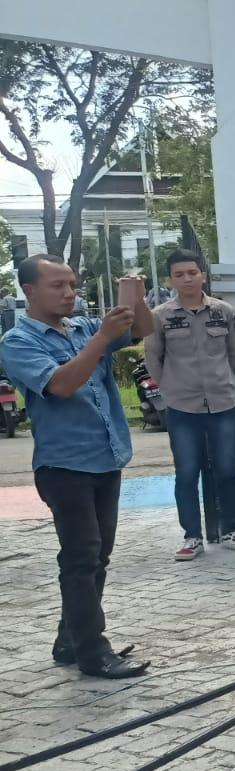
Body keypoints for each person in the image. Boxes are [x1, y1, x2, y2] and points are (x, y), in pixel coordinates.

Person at [2, 257, 154, 678]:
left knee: (97, 555)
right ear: (30, 291)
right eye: (58, 286)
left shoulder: (84, 327)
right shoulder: (17, 341)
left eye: (71, 284)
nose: (69, 293)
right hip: (64, 465)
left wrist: (136, 298)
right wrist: (103, 337)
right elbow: (62, 384)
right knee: (81, 557)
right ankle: (92, 651)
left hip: (105, 456)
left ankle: (70, 638)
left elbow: (143, 330)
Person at [144, 249, 235, 562]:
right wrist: (171, 387)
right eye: (179, 274)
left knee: (227, 470)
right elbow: (153, 357)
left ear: (202, 275)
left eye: (192, 272)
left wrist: (221, 380)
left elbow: (234, 353)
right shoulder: (160, 316)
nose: (187, 279)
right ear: (170, 280)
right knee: (187, 473)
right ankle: (192, 536)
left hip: (222, 402)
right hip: (182, 406)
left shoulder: (224, 311)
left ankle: (232, 530)